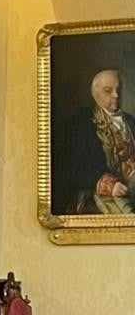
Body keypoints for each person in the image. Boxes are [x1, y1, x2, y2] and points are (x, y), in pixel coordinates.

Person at [60, 69, 135, 214]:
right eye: (108, 91)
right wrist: (109, 185)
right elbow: (76, 166)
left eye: (118, 90)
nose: (116, 95)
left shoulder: (130, 121)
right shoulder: (83, 121)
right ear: (95, 94)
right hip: (99, 192)